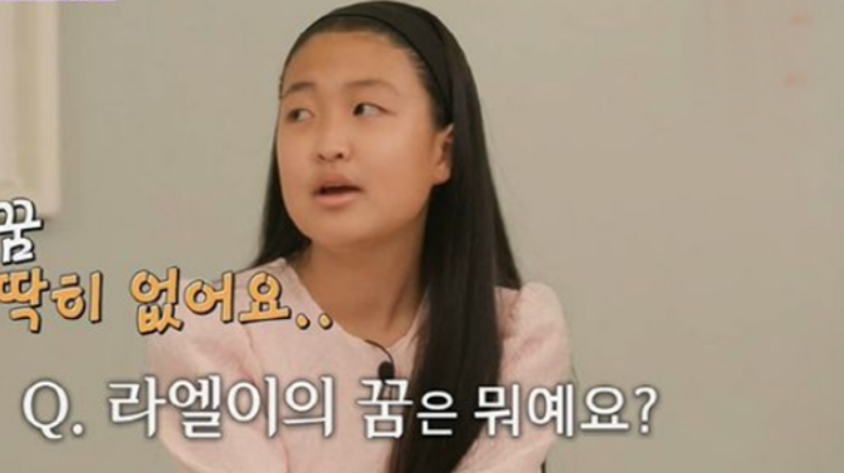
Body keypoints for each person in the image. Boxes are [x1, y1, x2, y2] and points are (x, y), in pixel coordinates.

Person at [147, 2, 572, 472]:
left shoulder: (516, 334)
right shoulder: (211, 332)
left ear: (444, 153)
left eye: (365, 109)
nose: (328, 145)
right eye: (299, 113)